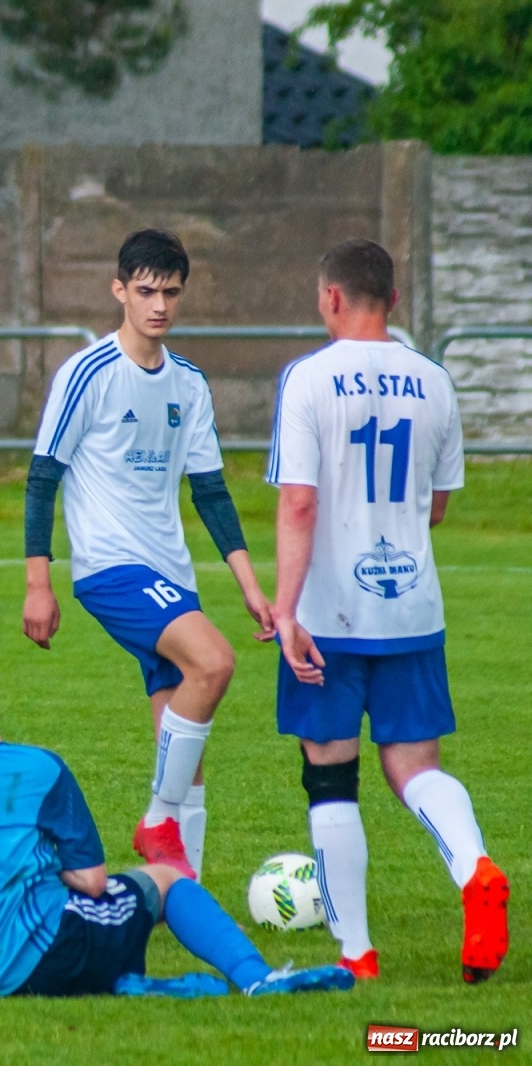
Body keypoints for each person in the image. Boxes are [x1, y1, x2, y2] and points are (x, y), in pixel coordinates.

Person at [269, 237, 509, 984]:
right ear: (394, 301)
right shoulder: (434, 379)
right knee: (416, 768)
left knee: (330, 777)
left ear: (331, 297)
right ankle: (475, 868)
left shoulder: (307, 378)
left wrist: (284, 611)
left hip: (329, 617)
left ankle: (358, 954)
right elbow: (435, 507)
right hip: (411, 609)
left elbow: (299, 502)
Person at [22, 229, 274, 881]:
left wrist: (250, 585)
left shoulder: (188, 382)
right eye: (145, 291)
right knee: (214, 663)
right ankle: (157, 819)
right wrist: (38, 585)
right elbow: (43, 477)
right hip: (111, 568)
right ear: (120, 291)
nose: (159, 305)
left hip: (171, 573)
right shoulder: (88, 373)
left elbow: (211, 491)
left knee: (185, 741)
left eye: (170, 292)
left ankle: (181, 891)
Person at [0, 655, 355, 999]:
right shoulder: (37, 767)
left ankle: (127, 983)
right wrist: (41, 865)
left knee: (97, 915)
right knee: (165, 879)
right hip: (54, 950)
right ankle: (258, 980)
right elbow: (92, 881)